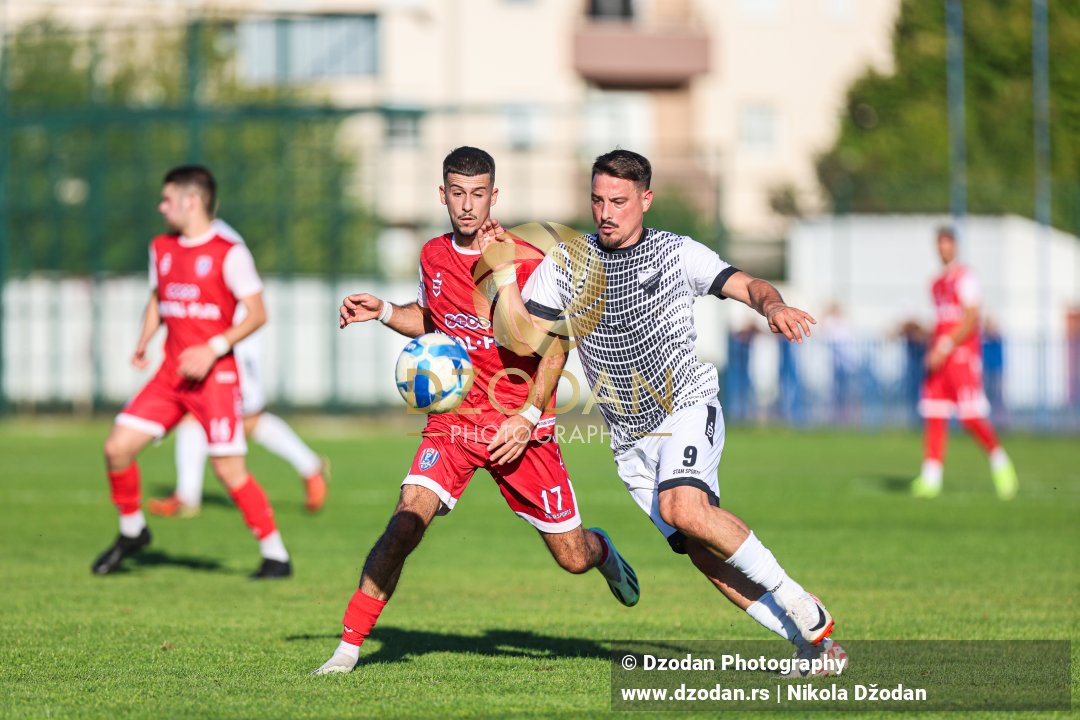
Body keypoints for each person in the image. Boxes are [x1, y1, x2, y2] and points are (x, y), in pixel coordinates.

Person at [484, 148, 845, 676]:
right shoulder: (565, 262)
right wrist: (504, 272)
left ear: (645, 200)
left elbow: (748, 284)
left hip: (686, 405)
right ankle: (813, 648)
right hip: (630, 442)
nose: (606, 212)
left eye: (619, 201)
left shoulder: (677, 253)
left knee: (683, 509)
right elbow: (523, 338)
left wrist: (774, 307)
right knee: (700, 551)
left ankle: (799, 601)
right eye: (598, 200)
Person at [311, 147, 638, 675]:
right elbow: (434, 320)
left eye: (478, 193)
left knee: (572, 557)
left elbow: (555, 345)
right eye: (457, 193)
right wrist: (387, 311)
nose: (467, 205)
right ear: (442, 194)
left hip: (522, 428)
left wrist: (529, 415)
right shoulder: (433, 255)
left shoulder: (527, 260)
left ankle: (605, 555)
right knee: (404, 524)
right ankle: (348, 647)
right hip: (455, 421)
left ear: (494, 195)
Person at [92, 165, 292, 579]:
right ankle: (132, 531)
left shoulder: (229, 251)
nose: (161, 207)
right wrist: (143, 340)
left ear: (192, 200)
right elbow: (157, 298)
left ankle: (276, 555)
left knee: (228, 470)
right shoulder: (161, 248)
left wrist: (214, 347)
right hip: (171, 375)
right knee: (117, 448)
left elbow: (257, 314)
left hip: (216, 377)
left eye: (167, 199)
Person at [147, 218, 328, 518]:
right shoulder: (188, 238)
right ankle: (187, 495)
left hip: (235, 345)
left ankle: (309, 466)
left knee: (249, 421)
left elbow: (240, 297)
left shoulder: (218, 238)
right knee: (198, 416)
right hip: (215, 345)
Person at [911, 227, 1018, 500]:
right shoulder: (934, 282)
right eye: (939, 244)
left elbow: (971, 318)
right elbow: (941, 319)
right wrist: (929, 342)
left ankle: (1001, 463)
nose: (943, 248)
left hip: (960, 356)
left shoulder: (966, 277)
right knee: (935, 414)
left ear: (955, 246)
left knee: (970, 416)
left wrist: (945, 345)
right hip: (940, 356)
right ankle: (931, 478)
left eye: (948, 243)